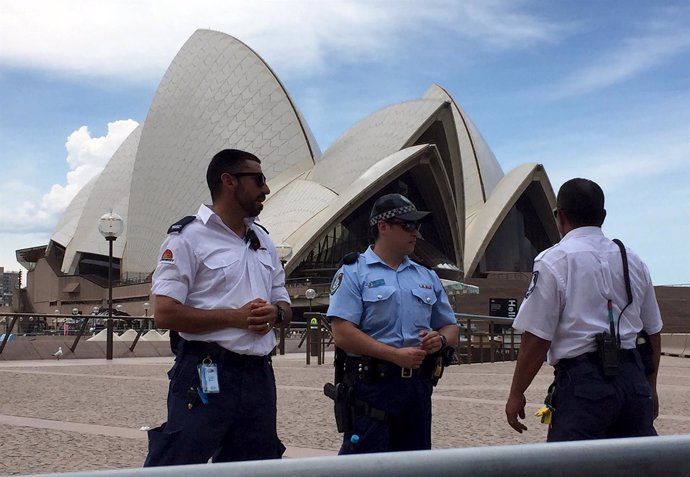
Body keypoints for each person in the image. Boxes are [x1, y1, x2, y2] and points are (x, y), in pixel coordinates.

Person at [144, 148, 292, 466]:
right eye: (259, 179)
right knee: (180, 466)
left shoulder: (264, 240)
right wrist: (235, 318)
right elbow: (164, 313)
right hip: (205, 372)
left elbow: (284, 301)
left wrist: (276, 313)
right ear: (229, 181)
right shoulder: (187, 238)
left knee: (256, 468)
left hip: (258, 377)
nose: (266, 189)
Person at [505, 178, 662, 441]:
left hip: (584, 385)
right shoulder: (633, 260)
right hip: (633, 379)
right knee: (636, 466)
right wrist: (651, 387)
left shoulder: (554, 260)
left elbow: (536, 337)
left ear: (560, 215)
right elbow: (653, 331)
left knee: (574, 466)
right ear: (602, 216)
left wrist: (516, 392)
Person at [327, 193, 458, 454]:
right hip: (371, 387)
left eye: (417, 226)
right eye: (407, 225)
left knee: (414, 467)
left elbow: (451, 327)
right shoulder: (353, 272)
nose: (415, 233)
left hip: (416, 389)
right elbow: (342, 333)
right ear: (383, 227)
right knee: (364, 467)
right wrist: (394, 355)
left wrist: (440, 340)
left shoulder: (426, 275)